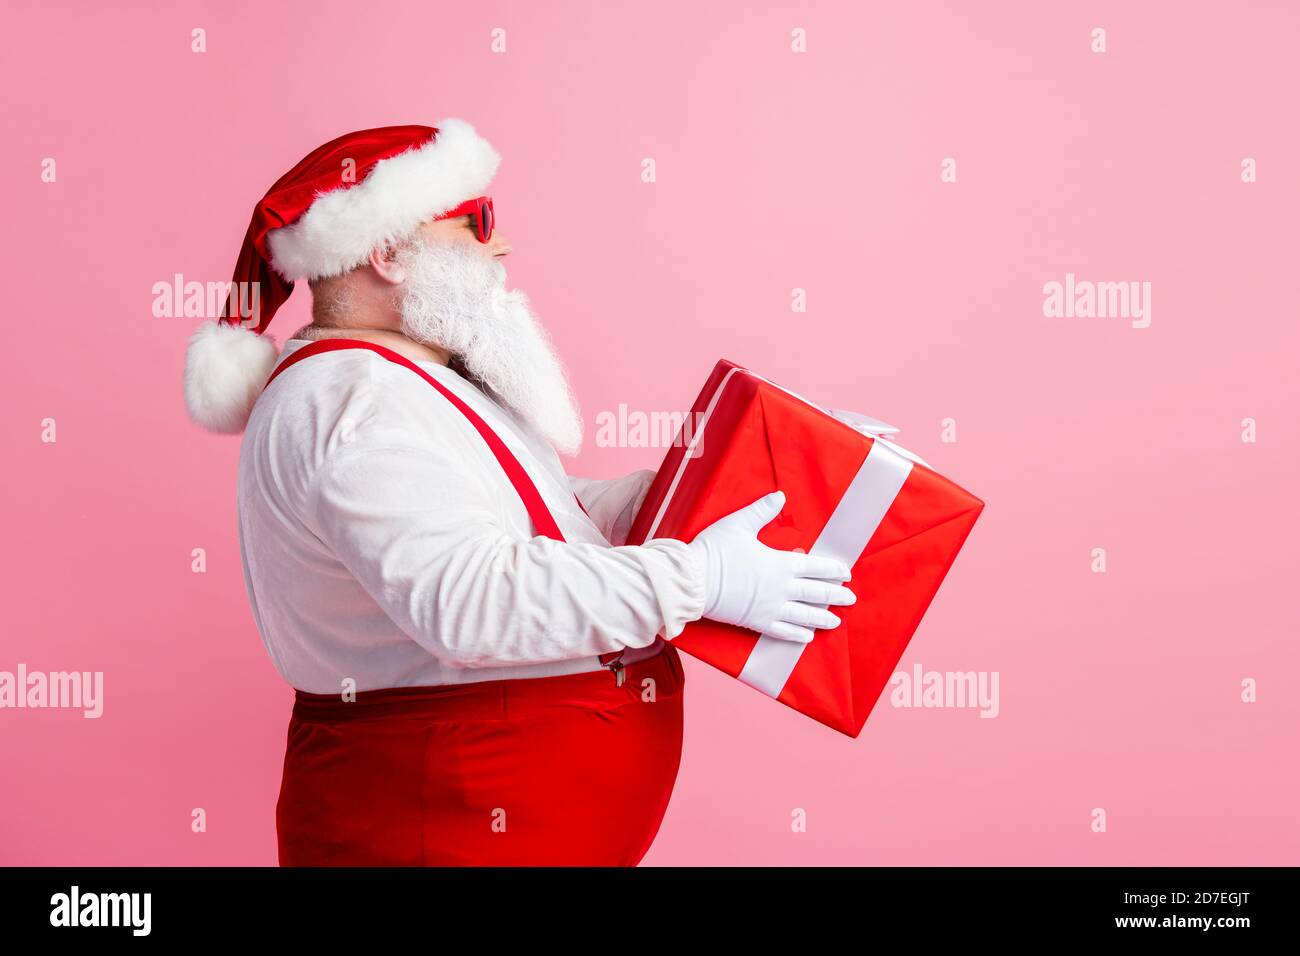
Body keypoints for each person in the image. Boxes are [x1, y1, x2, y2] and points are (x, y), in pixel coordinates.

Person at [182, 120, 856, 866]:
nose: (499, 247)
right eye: (476, 223)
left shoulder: (405, 376)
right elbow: (471, 599)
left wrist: (719, 485)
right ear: (388, 251)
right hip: (443, 823)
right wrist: (701, 580)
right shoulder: (357, 400)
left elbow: (531, 516)